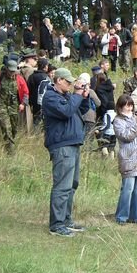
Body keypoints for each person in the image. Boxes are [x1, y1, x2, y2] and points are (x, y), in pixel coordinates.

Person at [42, 67, 89, 237]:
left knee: (72, 184)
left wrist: (84, 97)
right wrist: (76, 94)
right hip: (62, 145)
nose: (70, 84)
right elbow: (66, 112)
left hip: (73, 144)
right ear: (59, 80)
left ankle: (66, 219)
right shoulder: (51, 97)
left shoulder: (66, 96)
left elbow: (80, 110)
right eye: (68, 82)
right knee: (62, 185)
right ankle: (56, 224)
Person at [113, 94, 137, 224]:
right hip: (128, 159)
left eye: (131, 105)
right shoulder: (118, 121)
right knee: (127, 189)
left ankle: (136, 216)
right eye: (126, 105)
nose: (129, 108)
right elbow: (126, 136)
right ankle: (121, 216)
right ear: (120, 107)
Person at [0, 59, 29, 153]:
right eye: (10, 70)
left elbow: (26, 92)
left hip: (14, 106)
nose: (11, 73)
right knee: (6, 127)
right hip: (1, 106)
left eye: (13, 71)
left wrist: (23, 103)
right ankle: (10, 150)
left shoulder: (19, 78)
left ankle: (10, 142)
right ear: (6, 69)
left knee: (14, 128)